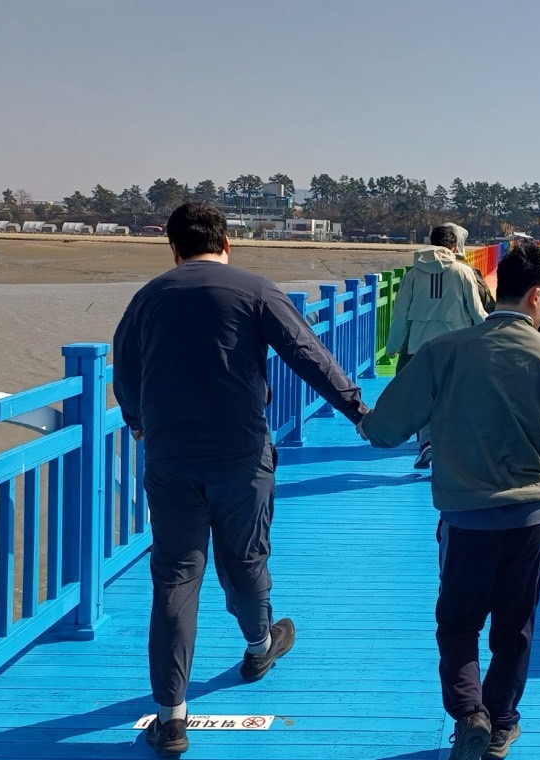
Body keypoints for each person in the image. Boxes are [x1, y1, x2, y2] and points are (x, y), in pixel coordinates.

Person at [112, 202, 370, 757]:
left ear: (173, 249)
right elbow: (307, 354)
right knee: (246, 560)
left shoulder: (148, 298)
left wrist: (138, 422)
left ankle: (171, 718)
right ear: (227, 243)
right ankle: (258, 646)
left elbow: (125, 370)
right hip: (242, 455)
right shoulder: (254, 290)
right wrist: (356, 409)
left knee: (175, 577)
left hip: (171, 458)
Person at [360, 240, 540, 760]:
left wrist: (366, 420)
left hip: (465, 521)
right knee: (515, 628)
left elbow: (386, 430)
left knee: (458, 624)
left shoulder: (446, 351)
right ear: (537, 295)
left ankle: (469, 714)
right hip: (530, 521)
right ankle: (501, 723)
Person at [387, 223, 488, 468]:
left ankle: (426, 443)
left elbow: (400, 315)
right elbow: (477, 312)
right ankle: (453, 442)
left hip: (419, 344)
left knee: (426, 394)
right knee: (455, 392)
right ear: (454, 248)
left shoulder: (413, 274)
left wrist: (393, 345)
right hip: (457, 342)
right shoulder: (463, 272)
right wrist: (492, 336)